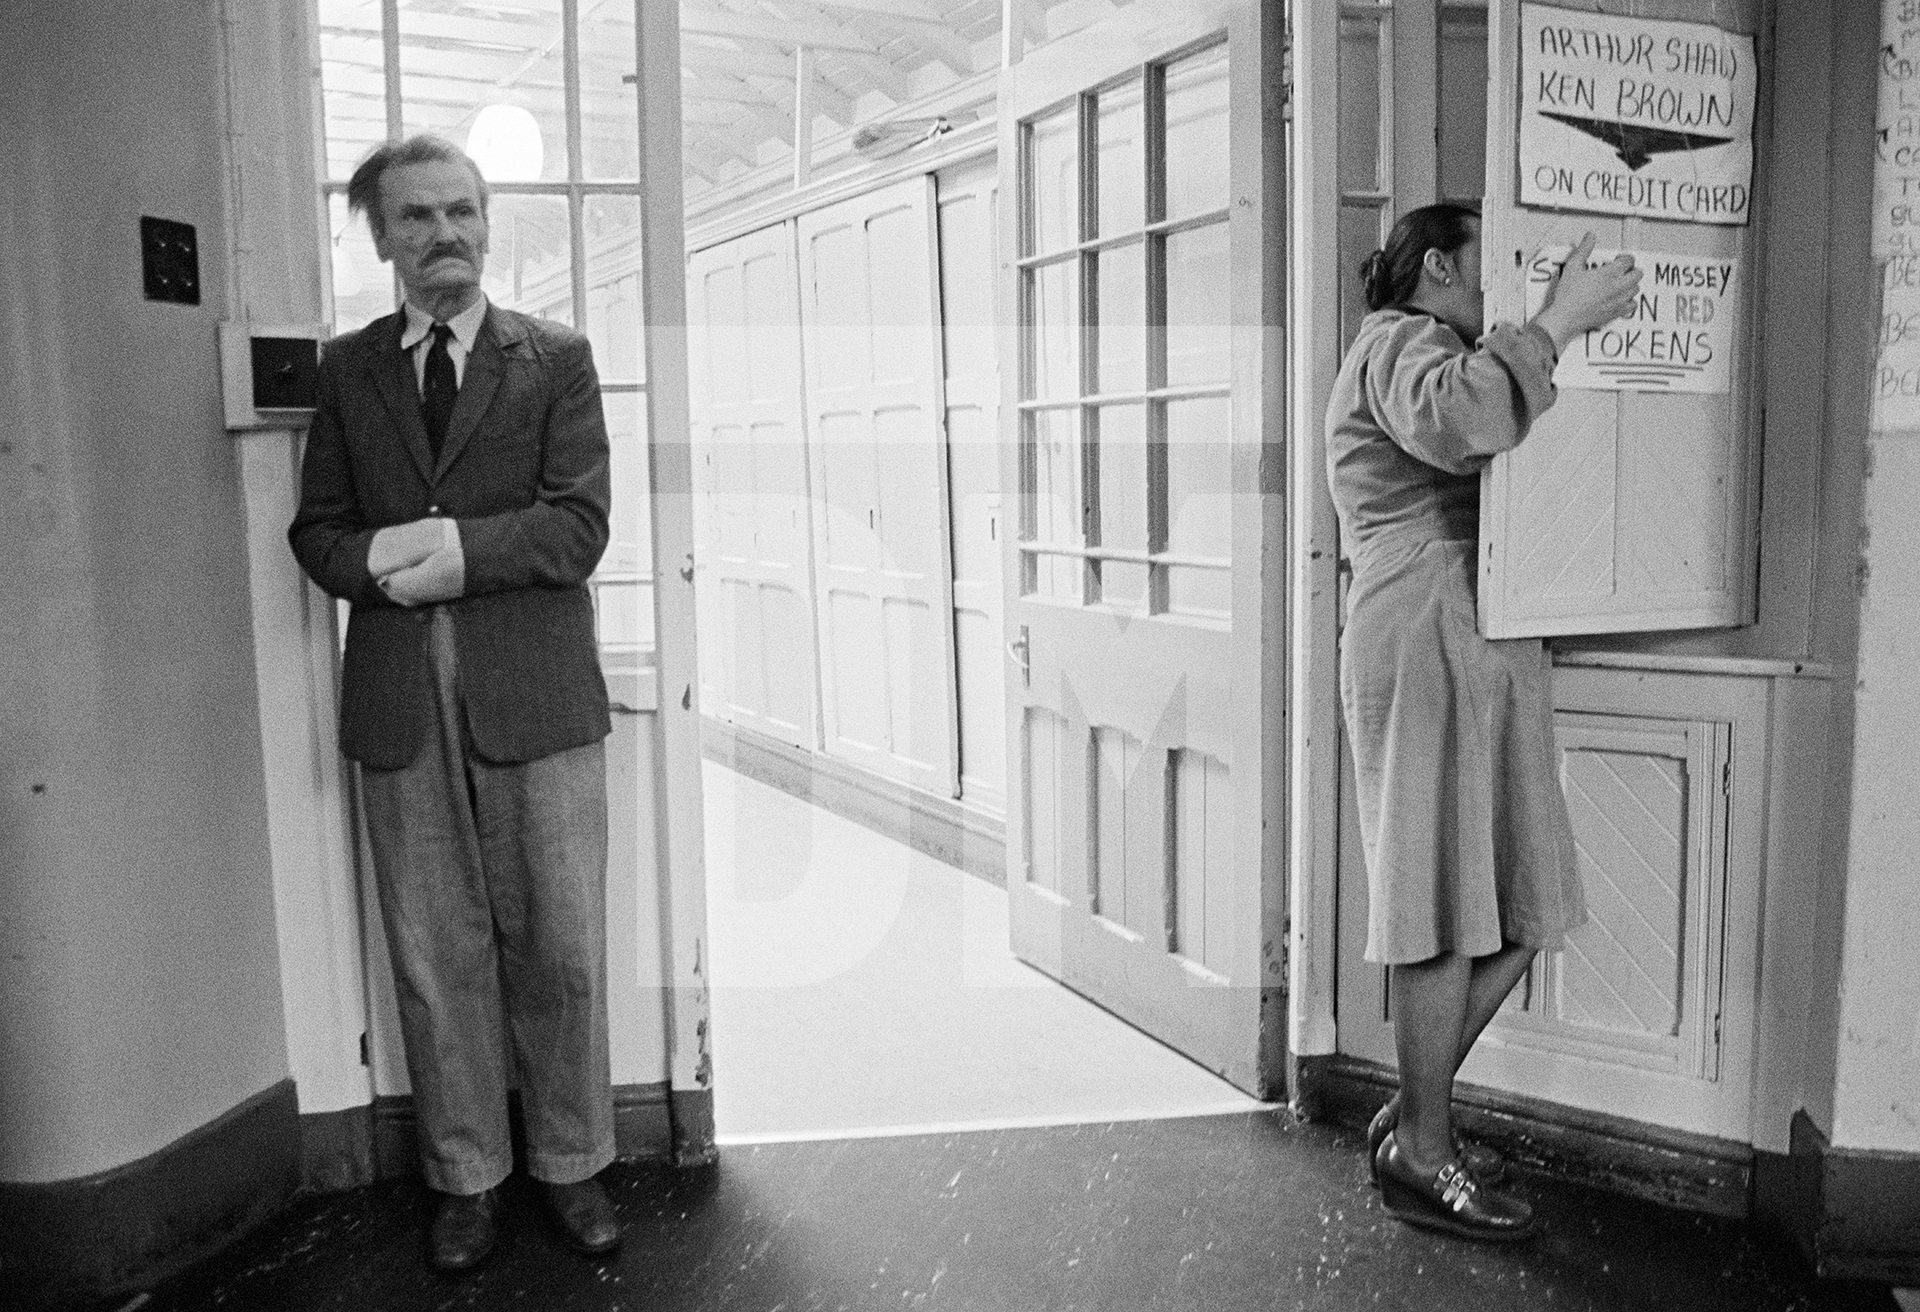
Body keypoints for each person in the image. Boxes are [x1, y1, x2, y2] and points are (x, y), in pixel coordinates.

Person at [290, 134, 621, 1271]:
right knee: (436, 952)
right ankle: (467, 1176)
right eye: (418, 216)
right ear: (380, 237)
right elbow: (317, 531)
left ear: (489, 224)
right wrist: (380, 557)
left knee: (561, 943)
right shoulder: (348, 370)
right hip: (398, 696)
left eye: (464, 212)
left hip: (533, 692)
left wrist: (454, 552)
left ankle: (575, 1165)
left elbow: (578, 525)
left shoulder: (557, 360)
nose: (446, 235)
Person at [1324, 204, 1641, 1241]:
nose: (1492, 290)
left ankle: (1415, 1122)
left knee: (1519, 900)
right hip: (1422, 629)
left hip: (1482, 635)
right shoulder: (1399, 344)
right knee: (1437, 897)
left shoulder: (1455, 351)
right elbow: (1460, 420)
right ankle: (1424, 1146)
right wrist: (1556, 322)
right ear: (1438, 268)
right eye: (1481, 269)